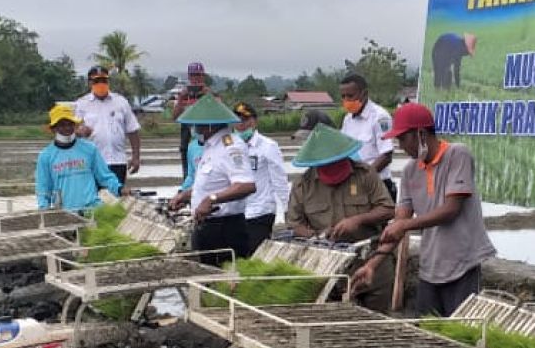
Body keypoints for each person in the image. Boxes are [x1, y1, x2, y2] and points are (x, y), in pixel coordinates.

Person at [353, 103, 494, 316]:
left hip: (462, 264)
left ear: (420, 134)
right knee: (428, 333)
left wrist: (405, 224)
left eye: (402, 139)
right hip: (431, 267)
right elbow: (399, 224)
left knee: (461, 334)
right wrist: (373, 264)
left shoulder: (457, 155)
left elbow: (451, 209)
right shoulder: (411, 170)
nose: (400, 146)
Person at [288, 124, 395, 312]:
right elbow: (294, 224)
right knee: (332, 322)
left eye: (335, 164)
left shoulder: (365, 174)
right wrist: (317, 235)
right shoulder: (303, 185)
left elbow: (388, 209)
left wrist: (358, 220)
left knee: (377, 323)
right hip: (329, 266)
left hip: (372, 261)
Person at [168, 94, 255, 265]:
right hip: (206, 227)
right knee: (206, 281)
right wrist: (185, 196)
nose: (195, 129)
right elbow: (212, 184)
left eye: (197, 125)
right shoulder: (209, 147)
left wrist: (211, 199)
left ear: (209, 125)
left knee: (225, 284)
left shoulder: (231, 147)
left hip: (225, 229)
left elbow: (246, 185)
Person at [35, 103, 123, 211]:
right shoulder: (46, 156)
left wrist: (119, 188)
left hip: (92, 209)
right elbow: (43, 190)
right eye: (62, 125)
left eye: (70, 124)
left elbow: (105, 176)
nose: (67, 128)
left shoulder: (90, 149)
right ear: (54, 129)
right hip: (65, 213)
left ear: (75, 125)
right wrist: (44, 211)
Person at [233, 101, 291, 255]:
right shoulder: (230, 146)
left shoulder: (268, 146)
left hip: (261, 211)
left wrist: (286, 210)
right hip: (237, 212)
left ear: (254, 121)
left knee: (255, 254)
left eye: (245, 119)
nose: (241, 124)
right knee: (238, 256)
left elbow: (280, 180)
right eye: (237, 120)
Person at [74, 66, 141, 186]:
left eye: (104, 80)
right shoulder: (81, 104)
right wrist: (79, 132)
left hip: (117, 161)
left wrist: (136, 157)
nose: (101, 84)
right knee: (94, 200)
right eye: (97, 81)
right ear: (90, 83)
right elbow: (72, 132)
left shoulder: (121, 102)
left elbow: (133, 130)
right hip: (92, 162)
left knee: (116, 200)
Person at [339, 73, 397, 201]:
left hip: (377, 184)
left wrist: (364, 178)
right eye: (343, 96)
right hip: (354, 185)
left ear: (364, 94)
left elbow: (386, 155)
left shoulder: (380, 117)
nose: (346, 100)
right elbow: (344, 151)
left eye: (350, 96)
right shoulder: (348, 119)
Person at [172, 61, 211, 176]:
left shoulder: (209, 93)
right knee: (188, 173)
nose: (196, 78)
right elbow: (175, 117)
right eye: (193, 75)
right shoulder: (183, 95)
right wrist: (181, 99)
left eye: (199, 75)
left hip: (206, 138)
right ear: (189, 77)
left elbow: (221, 111)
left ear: (203, 76)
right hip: (187, 137)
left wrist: (209, 96)